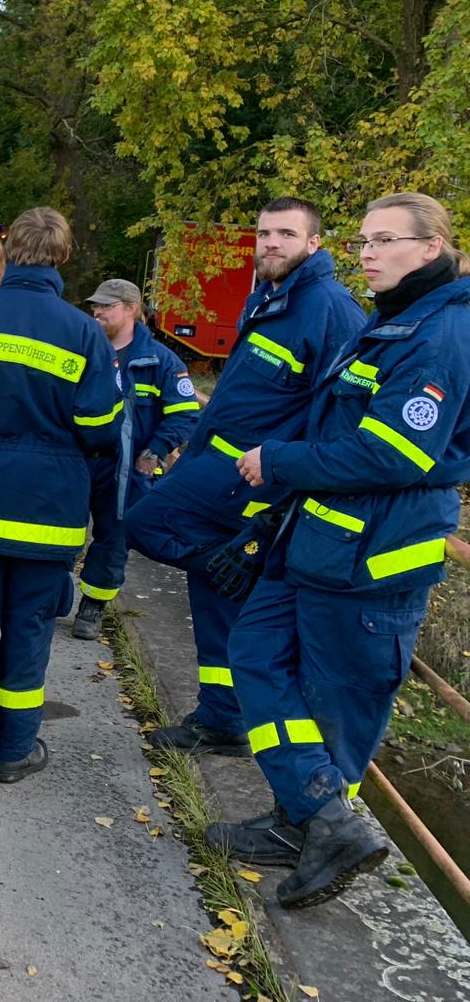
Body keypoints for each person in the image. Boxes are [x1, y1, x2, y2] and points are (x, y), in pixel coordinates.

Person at [206, 192, 470, 908]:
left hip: (375, 556)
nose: (369, 254)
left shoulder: (441, 333)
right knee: (256, 653)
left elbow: (393, 454)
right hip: (322, 540)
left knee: (339, 705)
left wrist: (281, 461)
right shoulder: (395, 318)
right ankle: (315, 815)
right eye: (363, 241)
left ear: (432, 247)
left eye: (385, 241)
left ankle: (317, 830)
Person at [125, 198, 365, 755]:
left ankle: (250, 571)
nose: (271, 243)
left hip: (255, 477)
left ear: (314, 244)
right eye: (264, 233)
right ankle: (223, 717)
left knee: (143, 524)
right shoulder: (269, 297)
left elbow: (336, 416)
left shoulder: (331, 310)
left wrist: (283, 481)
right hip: (216, 463)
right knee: (218, 583)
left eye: (287, 234)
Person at [0, 207, 122, 787]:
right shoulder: (83, 331)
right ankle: (15, 749)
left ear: (10, 249)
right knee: (31, 627)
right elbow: (100, 426)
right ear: (63, 255)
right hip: (49, 510)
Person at [71, 278, 200, 639]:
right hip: (79, 459)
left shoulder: (161, 361)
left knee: (114, 537)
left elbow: (184, 415)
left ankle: (93, 606)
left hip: (128, 468)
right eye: (95, 306)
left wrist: (154, 451)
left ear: (131, 309)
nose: (97, 312)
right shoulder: (82, 349)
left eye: (107, 306)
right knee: (64, 528)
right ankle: (53, 594)